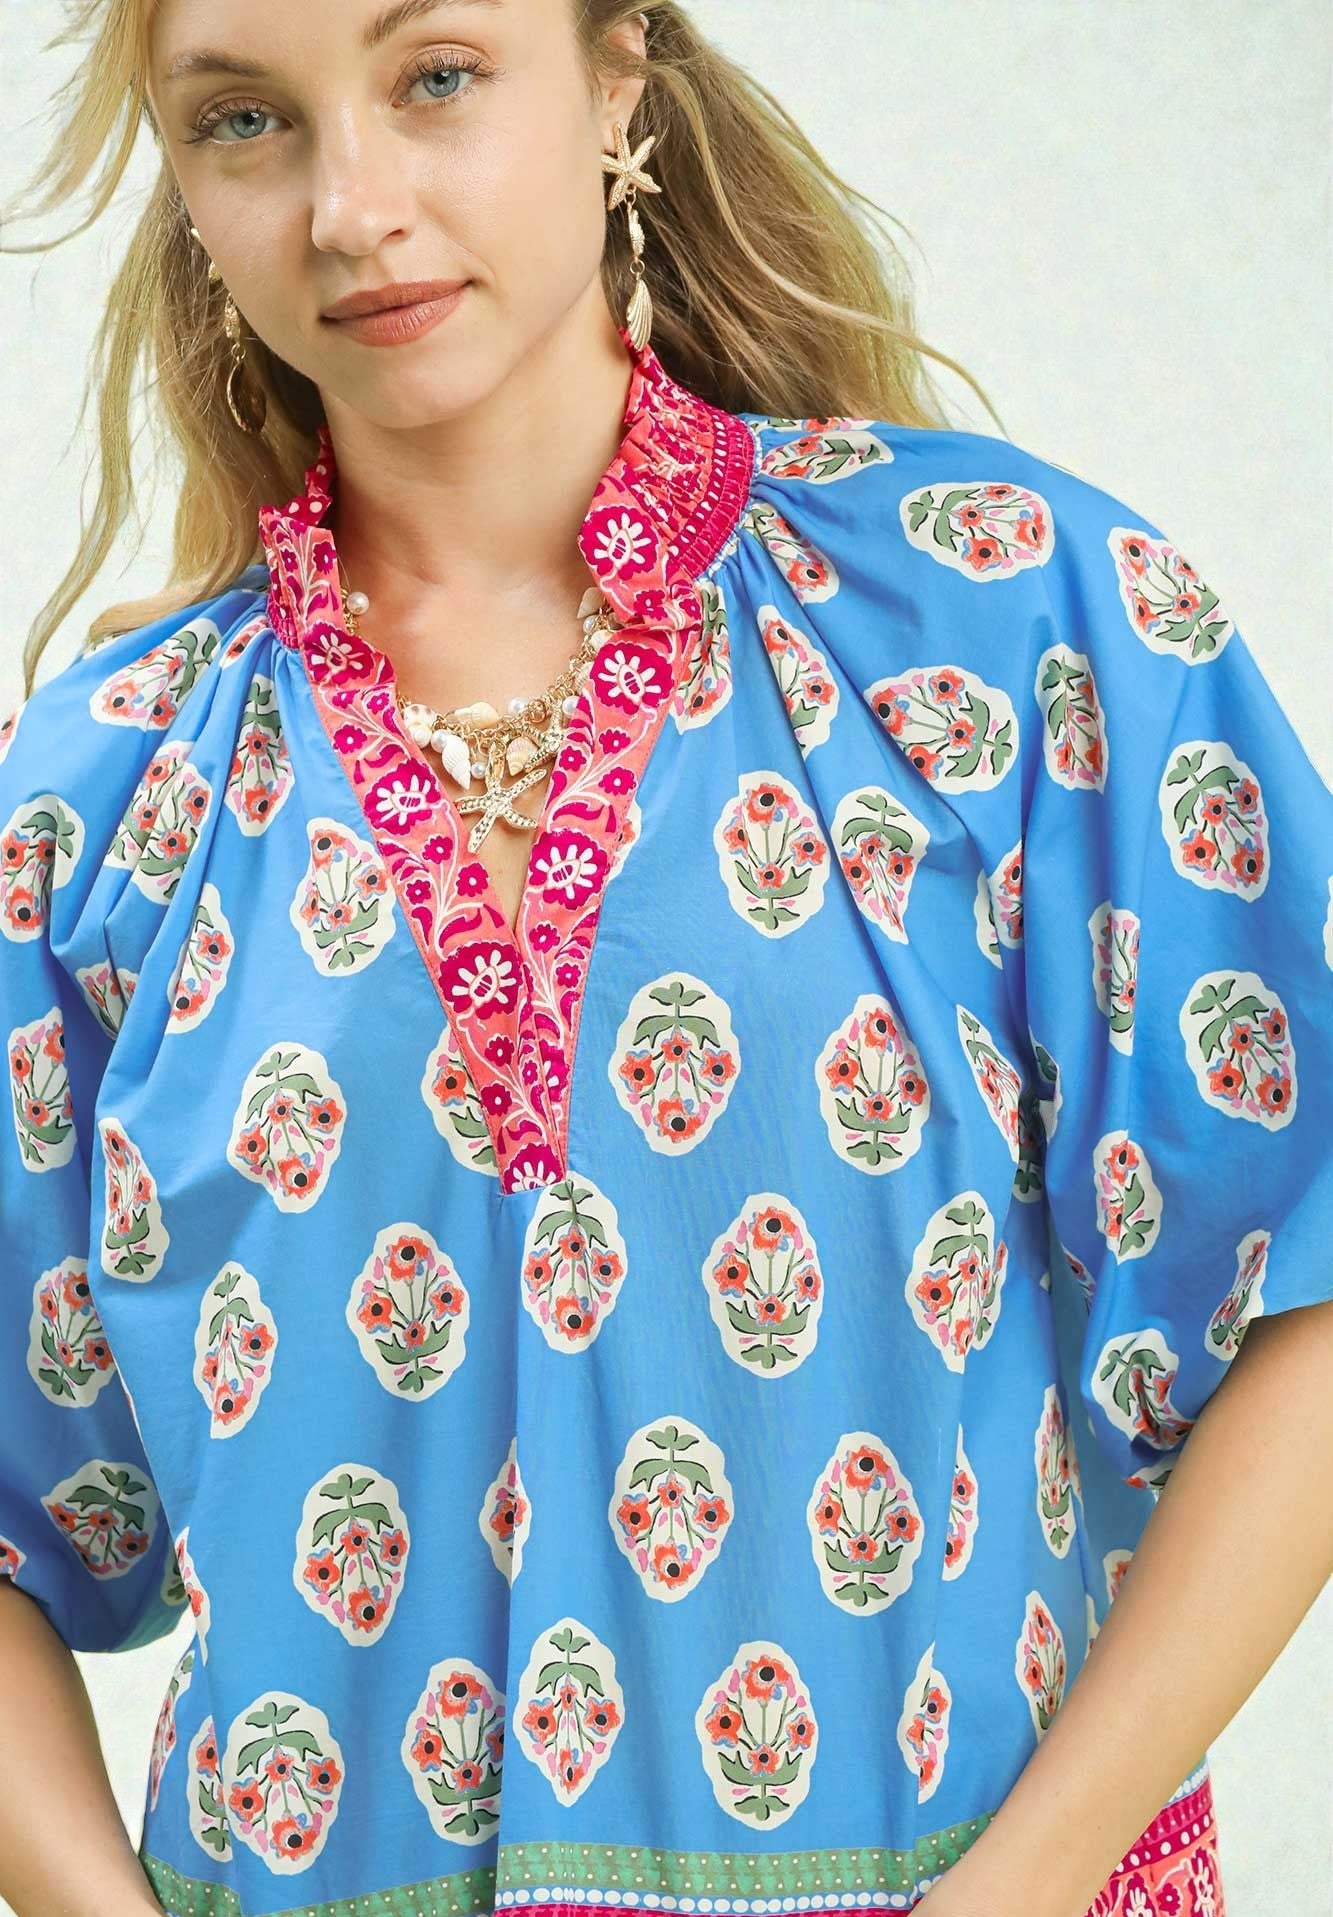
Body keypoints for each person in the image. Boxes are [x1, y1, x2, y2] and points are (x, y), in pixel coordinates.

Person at [1, 3, 1330, 1915]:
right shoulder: (102, 801)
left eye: (434, 75)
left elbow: (1307, 1268)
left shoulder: (1008, 625)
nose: (351, 205)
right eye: (243, 121)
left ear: (617, 64)